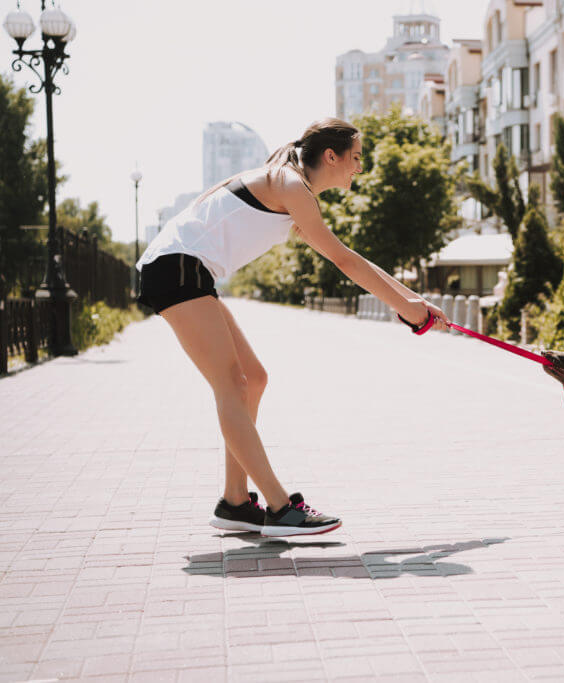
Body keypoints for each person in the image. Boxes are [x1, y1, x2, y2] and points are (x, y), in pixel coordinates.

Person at [135, 118, 449, 537]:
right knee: (231, 383)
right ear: (331, 156)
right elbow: (345, 261)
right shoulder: (290, 185)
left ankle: (235, 502)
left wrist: (414, 302)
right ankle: (281, 508)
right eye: (355, 158)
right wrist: (408, 309)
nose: (359, 167)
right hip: (174, 268)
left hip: (187, 269)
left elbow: (349, 255)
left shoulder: (292, 189)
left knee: (254, 379)